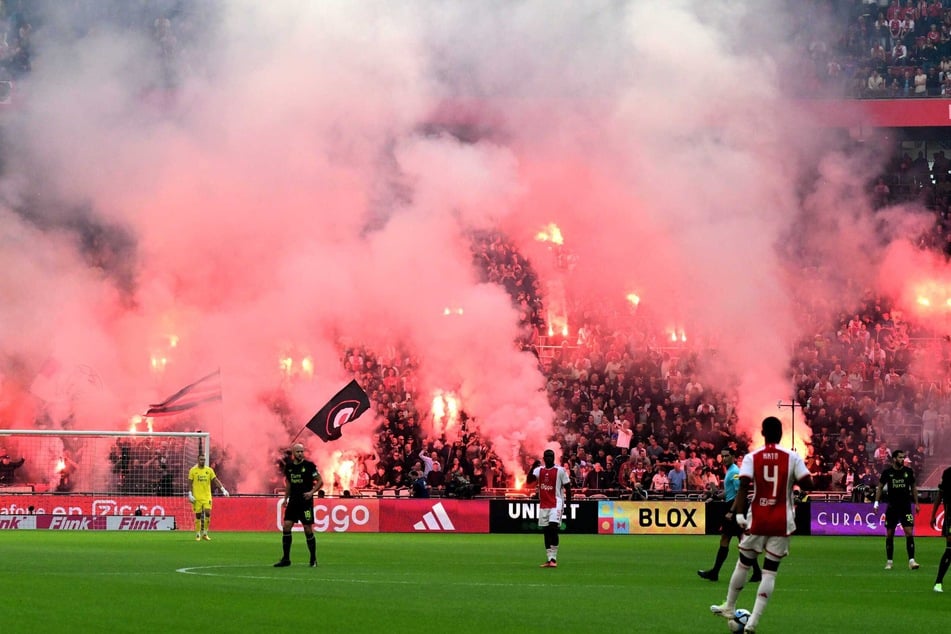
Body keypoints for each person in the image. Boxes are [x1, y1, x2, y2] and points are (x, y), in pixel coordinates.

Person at [709, 416, 813, 634]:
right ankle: (753, 623)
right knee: (770, 573)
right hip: (782, 522)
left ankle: (729, 605)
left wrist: (738, 514)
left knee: (744, 563)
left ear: (763, 433)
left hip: (758, 518)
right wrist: (792, 478)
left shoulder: (752, 457)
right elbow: (808, 483)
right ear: (781, 434)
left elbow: (743, 486)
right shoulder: (792, 457)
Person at [698, 448, 762, 583]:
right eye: (722, 456)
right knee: (742, 541)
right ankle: (757, 572)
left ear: (733, 457)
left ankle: (715, 572)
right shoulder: (730, 472)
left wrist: (732, 511)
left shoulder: (734, 472)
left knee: (726, 539)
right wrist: (714, 494)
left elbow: (740, 494)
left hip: (735, 507)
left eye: (727, 456)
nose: (724, 458)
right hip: (734, 506)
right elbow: (729, 493)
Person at [274, 443, 323, 567]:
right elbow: (289, 484)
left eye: (302, 451)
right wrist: (285, 499)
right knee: (286, 526)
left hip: (305, 503)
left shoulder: (309, 466)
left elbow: (320, 481)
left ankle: (313, 559)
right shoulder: (289, 467)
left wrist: (311, 492)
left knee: (307, 529)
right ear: (293, 453)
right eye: (298, 452)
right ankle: (286, 559)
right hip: (293, 502)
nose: (301, 454)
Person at [874, 449, 920, 570]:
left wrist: (916, 503)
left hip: (905, 507)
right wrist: (876, 503)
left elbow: (914, 488)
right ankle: (889, 561)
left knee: (909, 532)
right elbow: (879, 487)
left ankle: (912, 561)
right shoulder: (887, 473)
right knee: (889, 534)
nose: (902, 459)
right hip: (892, 507)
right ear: (894, 459)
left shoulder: (908, 472)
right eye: (900, 457)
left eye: (903, 457)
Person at [525, 448, 571, 568]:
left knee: (553, 528)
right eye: (547, 456)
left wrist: (568, 504)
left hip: (556, 504)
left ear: (554, 458)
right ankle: (549, 558)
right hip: (544, 505)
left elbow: (568, 487)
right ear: (544, 458)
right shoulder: (539, 470)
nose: (549, 458)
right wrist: (532, 467)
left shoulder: (560, 471)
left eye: (551, 456)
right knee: (546, 531)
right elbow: (528, 482)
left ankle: (554, 559)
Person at [187, 453, 229, 541]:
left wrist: (223, 490)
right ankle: (198, 534)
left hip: (207, 496)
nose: (203, 461)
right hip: (197, 497)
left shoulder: (209, 470)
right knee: (198, 516)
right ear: (198, 460)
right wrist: (190, 493)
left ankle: (205, 533)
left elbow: (215, 480)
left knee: (208, 513)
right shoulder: (193, 471)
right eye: (201, 459)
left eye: (204, 460)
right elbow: (190, 482)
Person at [931, 464, 951, 592]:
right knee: (950, 549)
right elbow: (940, 494)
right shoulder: (948, 473)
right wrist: (933, 514)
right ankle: (938, 582)